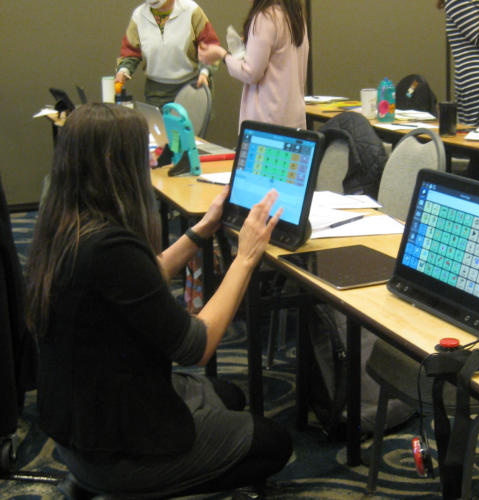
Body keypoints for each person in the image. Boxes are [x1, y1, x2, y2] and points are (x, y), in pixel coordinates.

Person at [25, 103, 292, 498]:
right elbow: (197, 347)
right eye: (142, 155)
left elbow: (142, 280)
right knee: (274, 443)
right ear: (119, 165)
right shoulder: (110, 248)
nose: (150, 163)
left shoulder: (66, 226)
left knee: (230, 397)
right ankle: (139, 486)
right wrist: (245, 257)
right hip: (115, 454)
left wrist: (203, 228)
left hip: (79, 432)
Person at [199, 0, 308, 129]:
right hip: (293, 118)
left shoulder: (266, 17)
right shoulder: (295, 16)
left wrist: (222, 55)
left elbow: (250, 73)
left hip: (267, 122)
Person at [115, 0, 221, 109]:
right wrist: (123, 71)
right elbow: (130, 49)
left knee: (188, 125)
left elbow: (210, 45)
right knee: (159, 126)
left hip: (191, 86)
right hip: (157, 93)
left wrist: (205, 72)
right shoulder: (139, 15)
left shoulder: (191, 10)